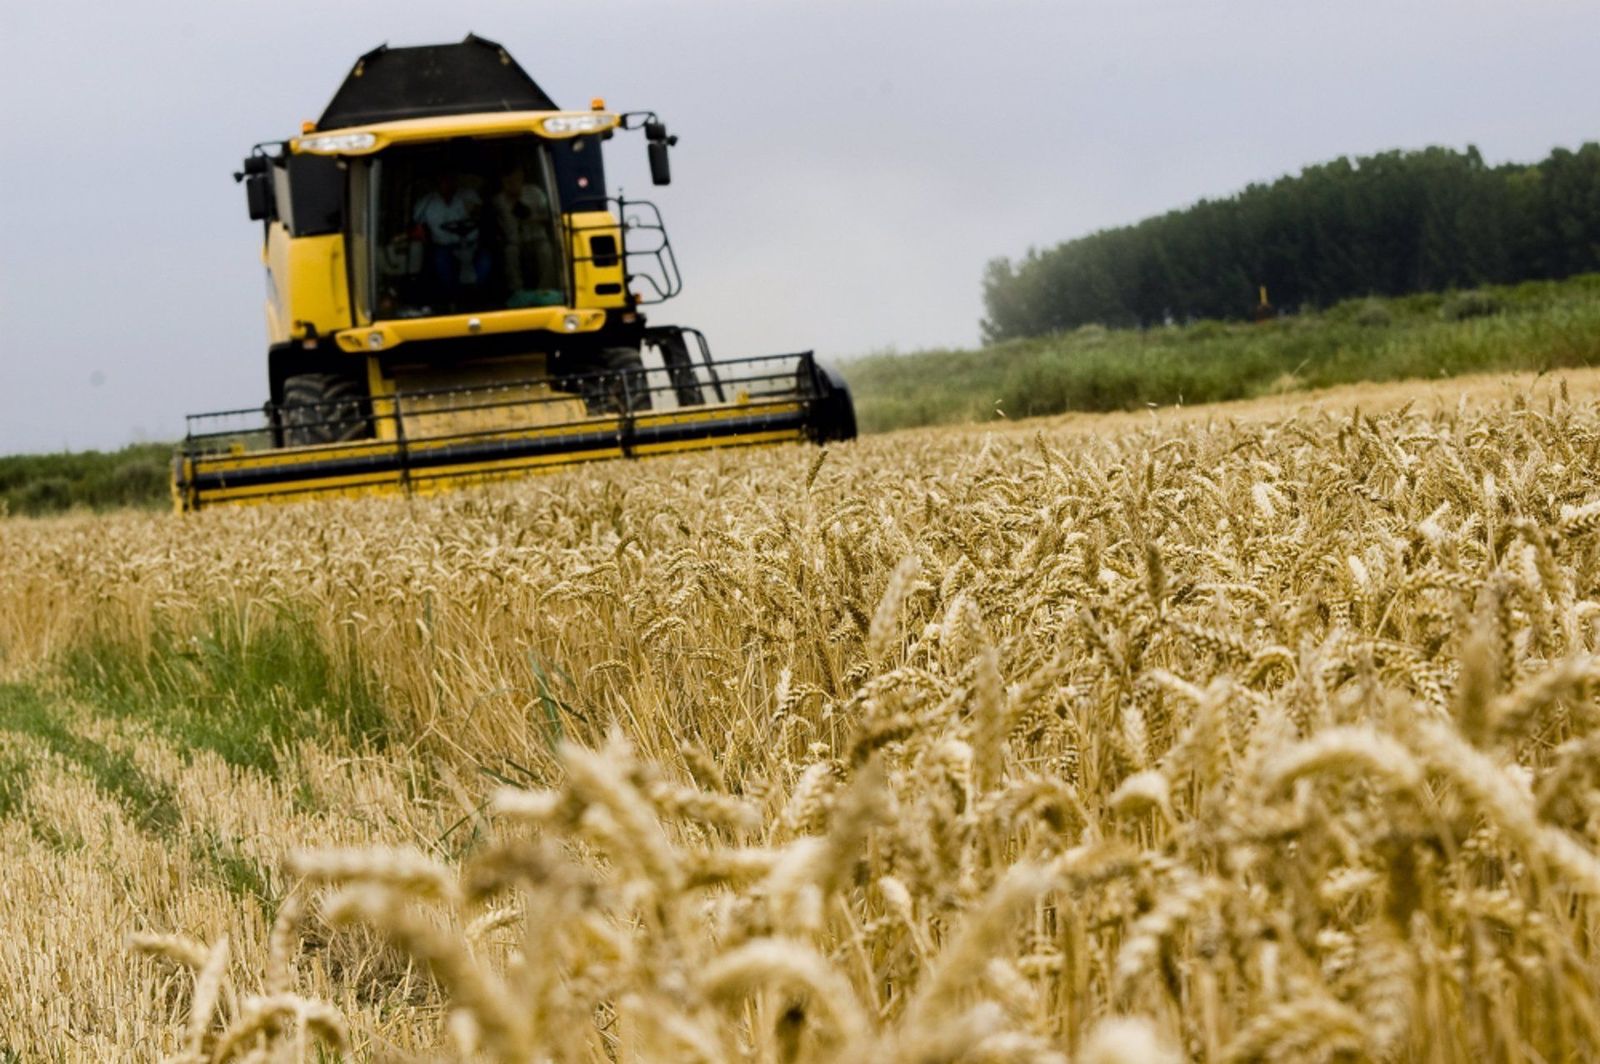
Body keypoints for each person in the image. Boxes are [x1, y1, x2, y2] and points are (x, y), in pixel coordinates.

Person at [412, 173, 489, 310]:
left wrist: (474, 211)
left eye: (449, 179)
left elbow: (481, 213)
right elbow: (417, 225)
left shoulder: (468, 195)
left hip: (471, 244)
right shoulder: (426, 202)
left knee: (486, 260)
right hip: (444, 246)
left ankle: (479, 297)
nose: (446, 183)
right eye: (443, 180)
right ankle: (451, 298)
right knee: (440, 262)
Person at [492, 167, 561, 306]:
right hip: (514, 242)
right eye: (508, 181)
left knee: (546, 252)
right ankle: (518, 294)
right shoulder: (498, 200)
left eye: (516, 179)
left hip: (537, 238)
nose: (513, 183)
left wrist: (532, 218)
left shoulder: (535, 193)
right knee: (510, 254)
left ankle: (544, 292)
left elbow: (549, 216)